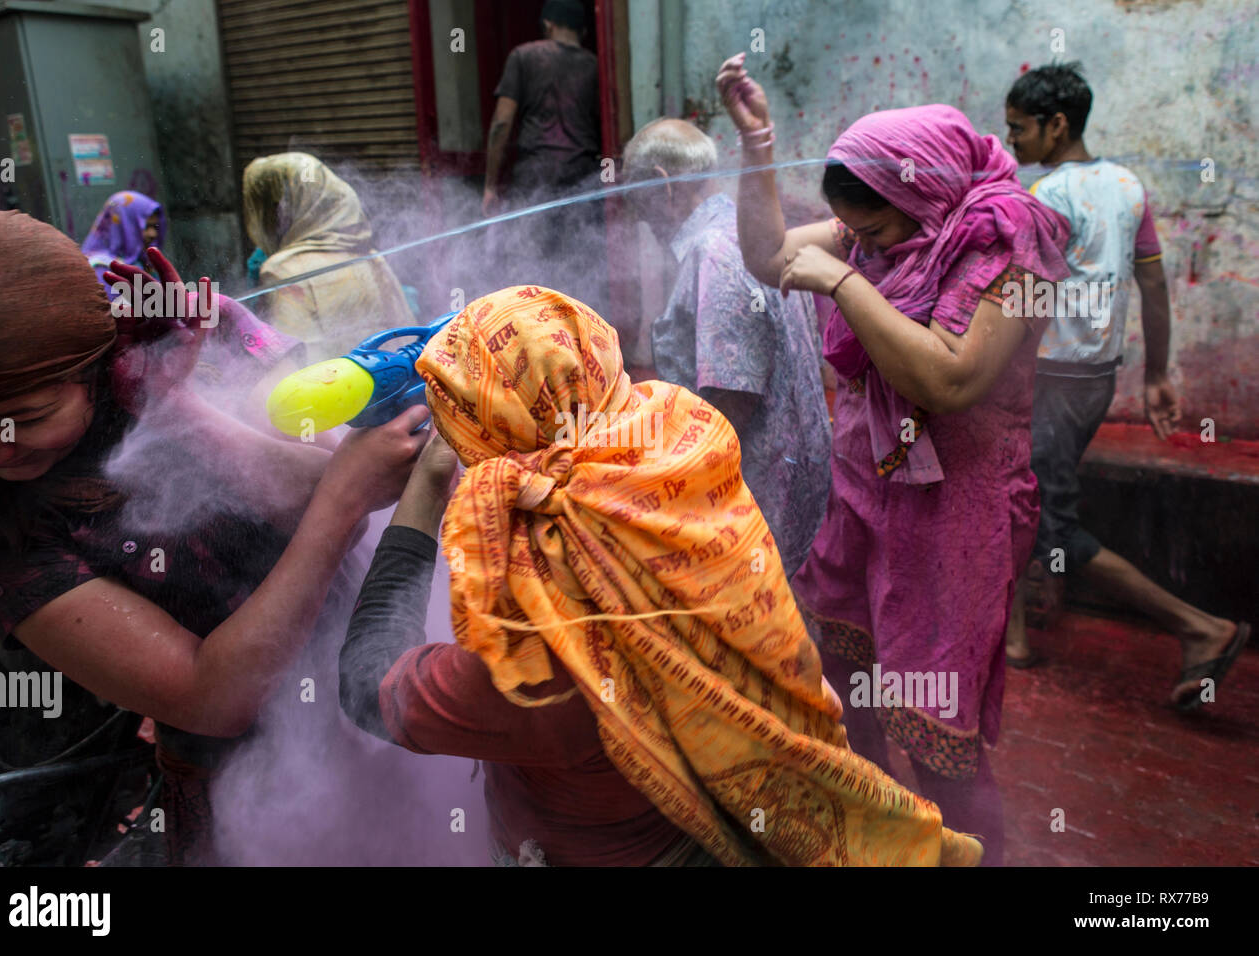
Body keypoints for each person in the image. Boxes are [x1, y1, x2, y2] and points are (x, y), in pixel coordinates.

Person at [338, 285, 984, 867]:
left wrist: (423, 490)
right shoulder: (686, 459)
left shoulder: (537, 659)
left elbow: (367, 684)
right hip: (714, 828)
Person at [0, 209, 429, 863]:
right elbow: (213, 698)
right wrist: (342, 504)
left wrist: (171, 407)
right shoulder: (0, 535)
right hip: (243, 787)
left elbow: (337, 482)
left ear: (94, 371)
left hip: (385, 701)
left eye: (23, 417)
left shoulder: (200, 338)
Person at [717, 53, 1073, 866]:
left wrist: (845, 285)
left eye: (875, 233)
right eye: (857, 235)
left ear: (923, 193)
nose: (863, 245)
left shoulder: (1016, 248)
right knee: (851, 698)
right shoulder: (887, 221)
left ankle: (971, 854)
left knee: (936, 728)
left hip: (957, 516)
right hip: (866, 491)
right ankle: (877, 848)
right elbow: (768, 256)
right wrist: (758, 146)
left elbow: (953, 378)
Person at [1003, 63, 1249, 705]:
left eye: (1019, 129)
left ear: (1057, 125)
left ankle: (1202, 629)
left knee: (1047, 521)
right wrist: (1159, 374)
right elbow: (1154, 284)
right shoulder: (1127, 185)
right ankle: (1016, 631)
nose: (1012, 143)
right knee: (1029, 499)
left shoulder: (1048, 198)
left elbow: (1021, 300)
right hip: (1096, 380)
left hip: (1050, 379)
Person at [622, 118, 832, 576]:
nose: (637, 216)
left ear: (662, 185)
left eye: (636, 199)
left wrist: (669, 488)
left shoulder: (713, 252)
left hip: (756, 491)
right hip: (796, 481)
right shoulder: (747, 233)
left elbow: (733, 398)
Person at [482, 0, 604, 306]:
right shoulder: (595, 66)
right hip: (583, 177)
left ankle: (538, 339)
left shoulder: (523, 56)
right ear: (583, 30)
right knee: (579, 267)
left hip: (535, 176)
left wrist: (490, 184)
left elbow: (501, 122)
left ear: (548, 24)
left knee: (533, 270)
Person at [242, 152, 415, 364]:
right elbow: (409, 335)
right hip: (393, 379)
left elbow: (295, 363)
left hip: (338, 391)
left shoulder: (284, 270)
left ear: (276, 209)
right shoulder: (368, 256)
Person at [81, 190, 164, 295]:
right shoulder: (102, 270)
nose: (153, 234)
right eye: (146, 227)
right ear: (126, 227)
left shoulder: (144, 262)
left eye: (155, 226)